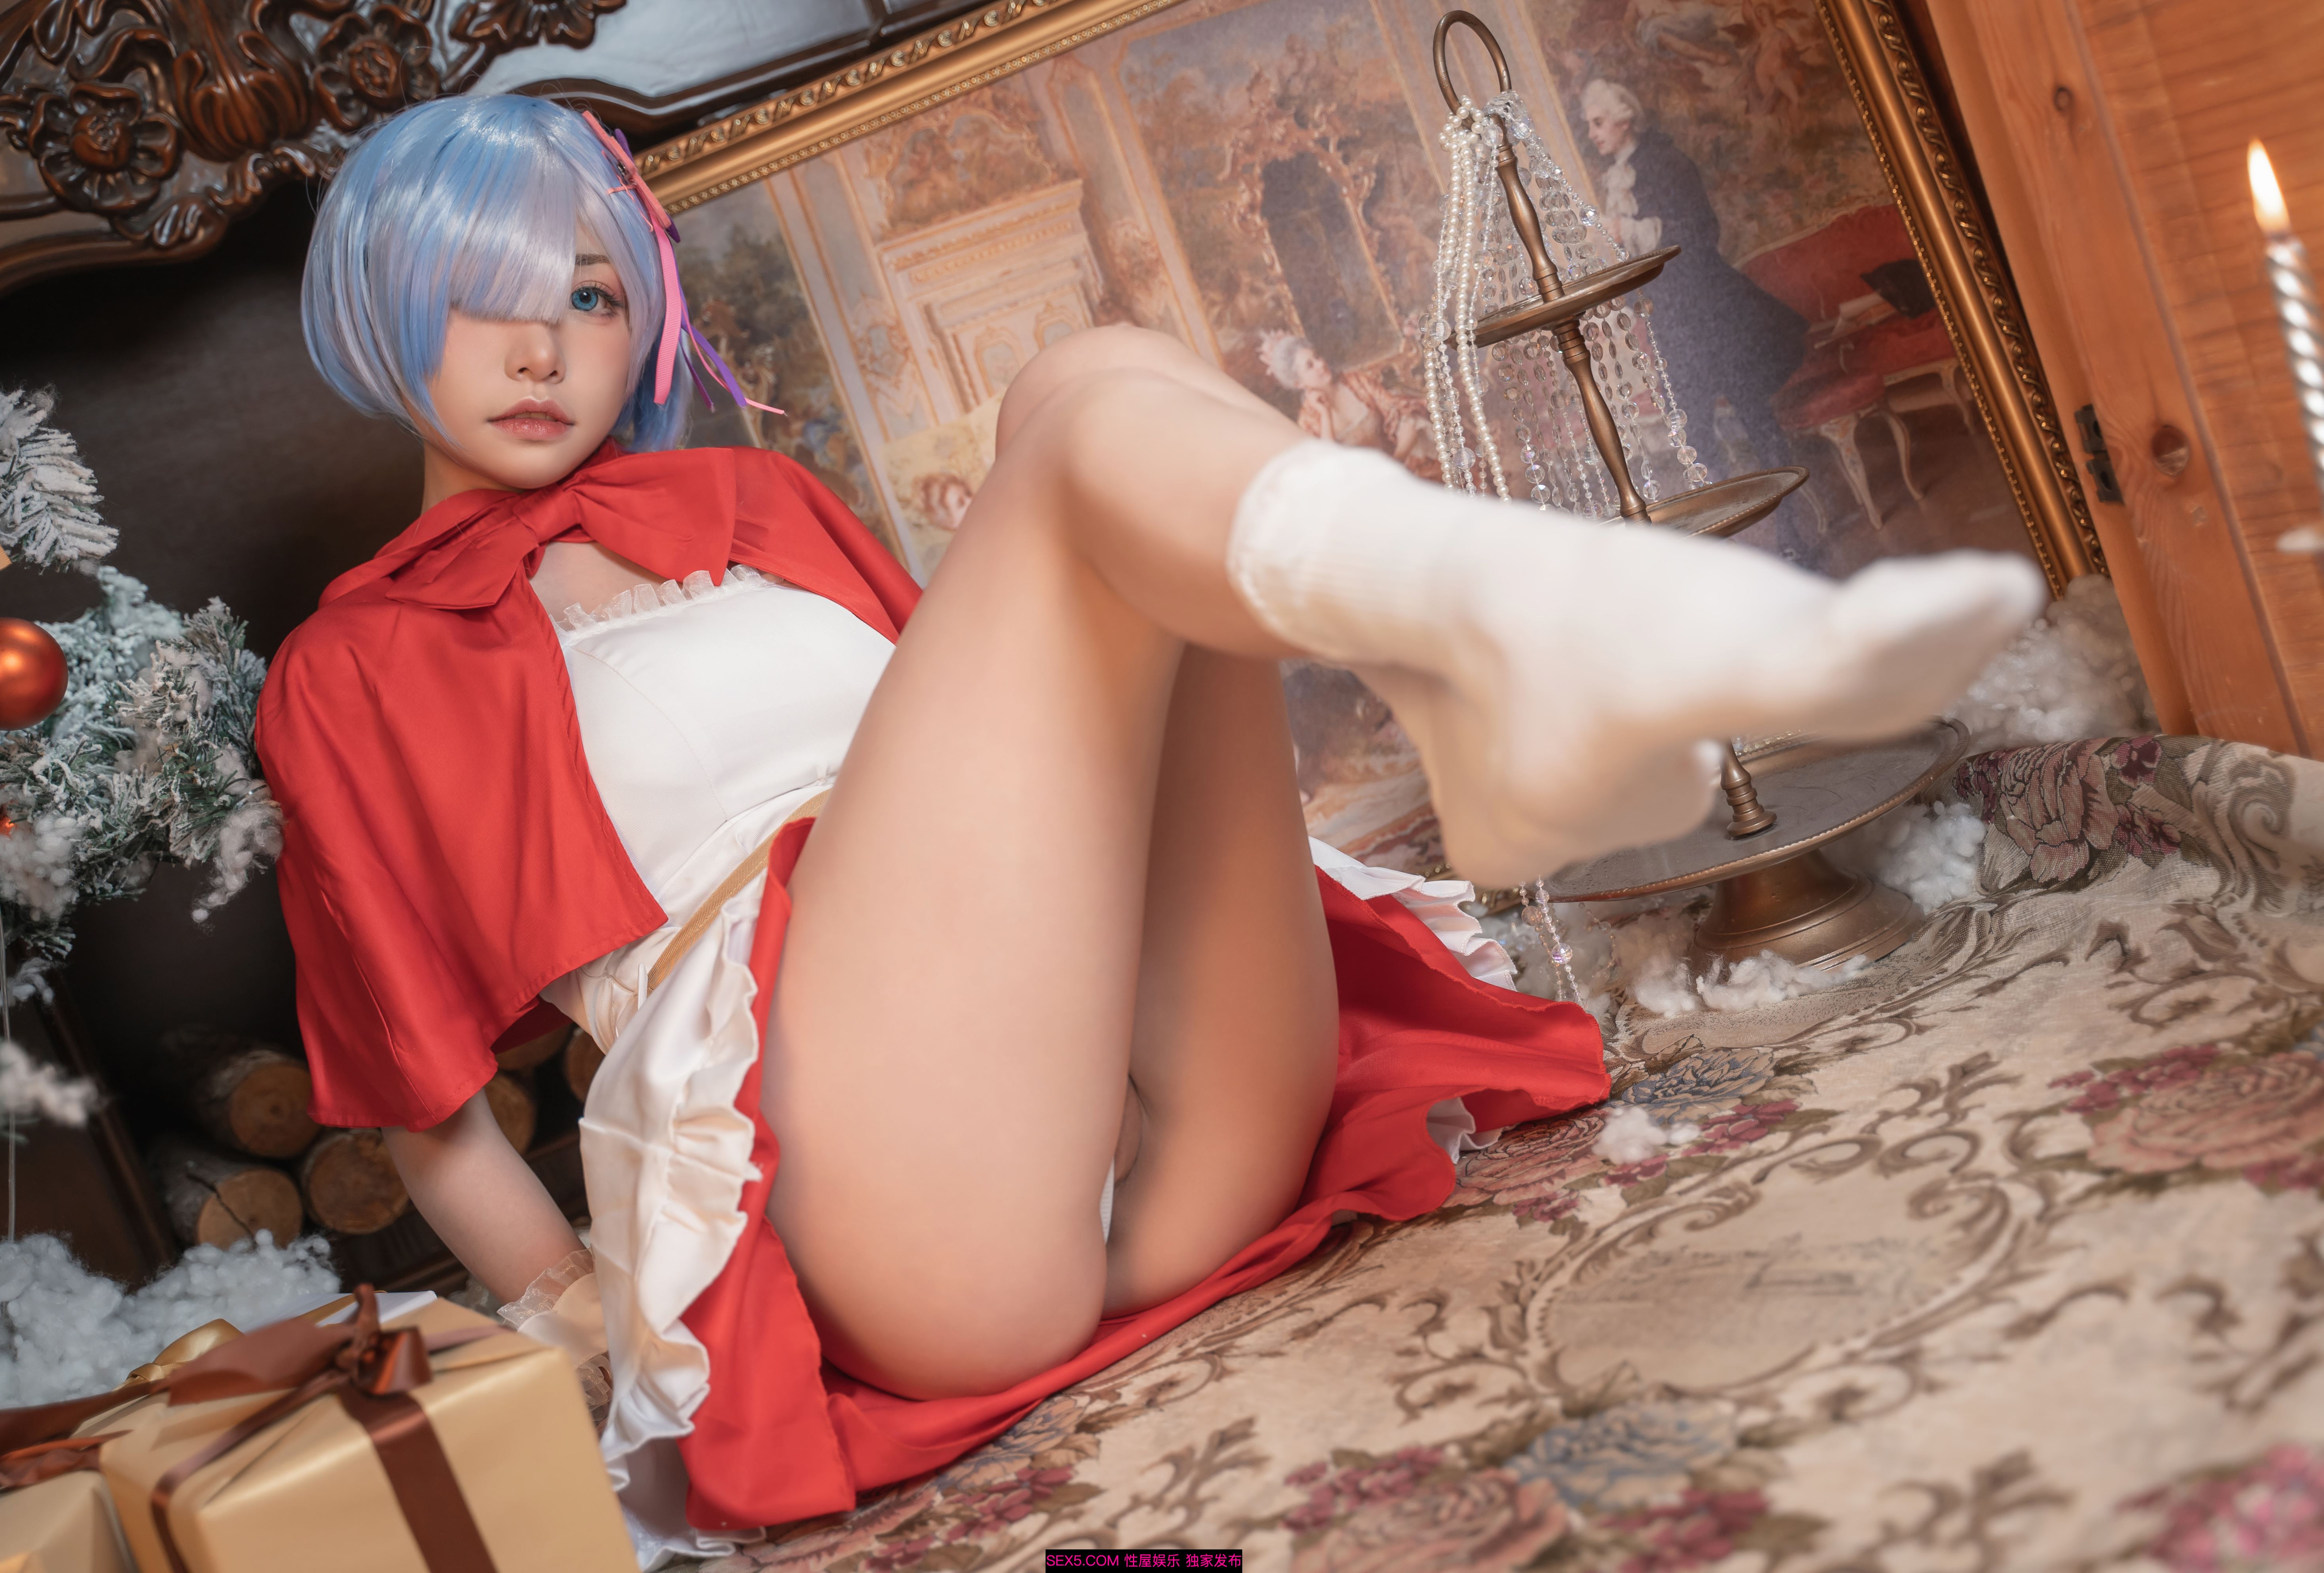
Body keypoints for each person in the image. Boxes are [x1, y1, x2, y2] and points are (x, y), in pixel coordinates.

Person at [258, 95, 2041, 1557]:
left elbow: (1013, 769)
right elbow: (427, 1114)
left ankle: (1483, 625)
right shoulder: (353, 667)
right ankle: (1483, 624)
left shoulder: (752, 499)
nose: (544, 349)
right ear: (375, 315)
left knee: (1096, 375)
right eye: (480, 301)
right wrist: (616, 1358)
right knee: (1067, 421)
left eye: (587, 295)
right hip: (916, 1224)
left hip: (1177, 1125)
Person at [1581, 78, 1809, 478]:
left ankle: (1792, 513)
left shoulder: (1668, 163)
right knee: (1694, 427)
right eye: (1589, 125)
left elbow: (1702, 231)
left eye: (1598, 123)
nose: (1592, 134)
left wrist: (1630, 230)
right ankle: (1726, 513)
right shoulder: (1618, 176)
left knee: (1753, 411)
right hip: (1671, 317)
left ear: (1625, 120)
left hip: (1710, 308)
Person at [1258, 330, 1443, 480]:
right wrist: (1325, 414)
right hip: (1362, 490)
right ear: (1299, 383)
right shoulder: (1309, 420)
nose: (1321, 364)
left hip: (1400, 469)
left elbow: (1404, 417)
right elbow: (1329, 466)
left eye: (1317, 357)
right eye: (1310, 366)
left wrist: (1396, 462)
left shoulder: (1356, 382)